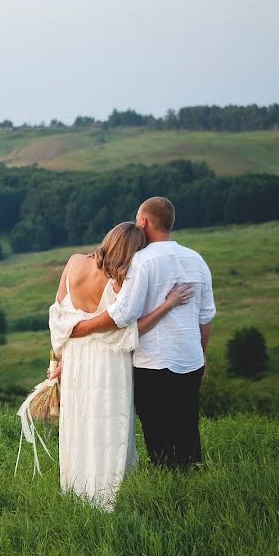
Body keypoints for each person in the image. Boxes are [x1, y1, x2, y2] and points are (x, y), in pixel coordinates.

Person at [47, 221, 193, 512]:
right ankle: (108, 493)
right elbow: (128, 329)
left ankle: (76, 490)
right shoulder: (119, 282)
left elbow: (60, 316)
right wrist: (168, 305)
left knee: (78, 421)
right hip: (108, 363)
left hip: (75, 357)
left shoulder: (74, 262)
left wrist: (60, 357)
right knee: (108, 421)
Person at [70, 197, 216, 470]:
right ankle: (192, 482)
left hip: (153, 362)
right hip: (191, 359)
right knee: (187, 425)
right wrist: (202, 355)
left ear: (144, 222)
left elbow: (122, 314)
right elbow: (205, 317)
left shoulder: (142, 261)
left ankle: (166, 487)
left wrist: (79, 329)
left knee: (158, 431)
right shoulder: (196, 259)